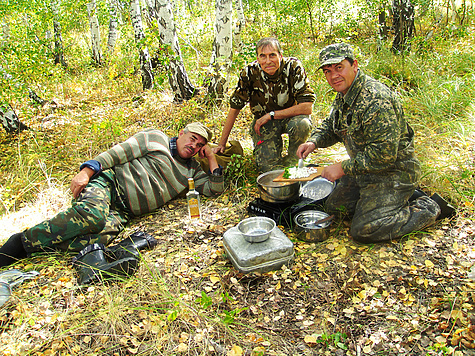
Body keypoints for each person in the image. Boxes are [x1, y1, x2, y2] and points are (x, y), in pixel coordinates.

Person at [0, 122, 224, 268]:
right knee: (92, 216)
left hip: (124, 211)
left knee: (98, 240)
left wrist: (211, 158)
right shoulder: (156, 138)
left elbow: (215, 190)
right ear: (181, 133)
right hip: (108, 184)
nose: (194, 145)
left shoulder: (192, 170)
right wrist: (86, 172)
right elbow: (118, 152)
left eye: (200, 145)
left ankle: (43, 243)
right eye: (193, 138)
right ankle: (20, 243)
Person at [297, 43, 441, 244]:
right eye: (328, 71)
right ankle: (392, 200)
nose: (333, 76)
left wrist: (342, 168)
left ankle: (427, 206)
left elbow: (384, 155)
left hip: (393, 172)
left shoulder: (375, 99)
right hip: (365, 171)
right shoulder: (345, 94)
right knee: (335, 209)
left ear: (354, 65)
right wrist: (314, 142)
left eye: (339, 68)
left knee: (364, 229)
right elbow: (333, 125)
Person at [213, 37, 316, 172]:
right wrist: (221, 144)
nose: (268, 61)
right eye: (263, 56)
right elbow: (235, 108)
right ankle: (276, 162)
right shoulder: (249, 72)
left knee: (302, 124)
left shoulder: (293, 67)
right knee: (267, 168)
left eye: (272, 55)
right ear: (257, 58)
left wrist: (271, 115)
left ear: (280, 55)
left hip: (291, 118)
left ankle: (294, 160)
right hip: (264, 123)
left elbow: (307, 107)